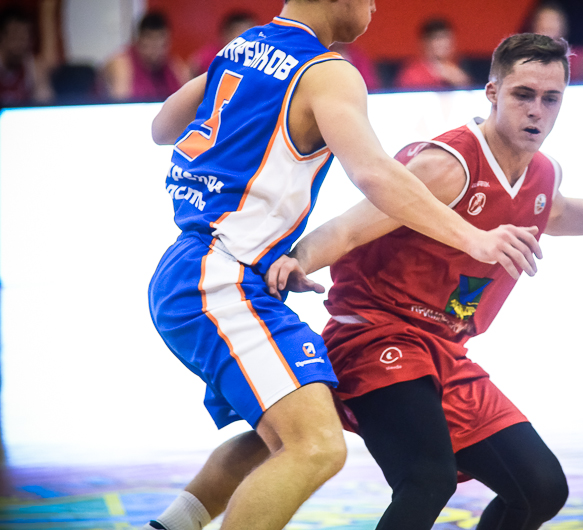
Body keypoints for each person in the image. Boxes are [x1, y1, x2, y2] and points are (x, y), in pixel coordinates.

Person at [154, 32, 583, 529]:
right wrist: (297, 259)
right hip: (374, 337)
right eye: (523, 95)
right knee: (424, 478)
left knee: (541, 489)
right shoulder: (447, 164)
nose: (536, 111)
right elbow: (349, 228)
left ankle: (176, 521)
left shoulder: (542, 174)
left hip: (445, 351)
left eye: (550, 99)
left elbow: (556, 210)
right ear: (493, 93)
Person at [143, 0, 541, 528]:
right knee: (317, 447)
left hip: (199, 266)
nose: (374, 7)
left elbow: (163, 126)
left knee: (295, 427)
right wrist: (473, 238)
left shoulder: (243, 46)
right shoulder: (328, 71)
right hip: (221, 277)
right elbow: (374, 173)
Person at [102, 12, 190, 102]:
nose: (156, 52)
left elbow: (188, 101)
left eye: (162, 46)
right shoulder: (122, 65)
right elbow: (122, 105)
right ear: (138, 40)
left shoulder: (175, 66)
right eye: (151, 45)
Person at [0, 1, 58, 106]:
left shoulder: (32, 67)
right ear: (2, 38)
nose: (21, 44)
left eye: (24, 38)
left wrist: (41, 81)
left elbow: (45, 105)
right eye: (15, 37)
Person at [395, 17, 473, 89]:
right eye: (438, 39)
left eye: (447, 38)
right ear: (425, 42)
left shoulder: (457, 69)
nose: (444, 43)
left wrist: (462, 82)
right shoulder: (412, 75)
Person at [526, 1, 583, 81]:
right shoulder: (524, 61)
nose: (548, 26)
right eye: (544, 28)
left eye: (552, 26)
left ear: (563, 28)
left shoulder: (577, 59)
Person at [189, 11, 258, 77]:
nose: (248, 37)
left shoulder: (257, 57)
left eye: (252, 32)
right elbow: (192, 69)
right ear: (226, 34)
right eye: (240, 31)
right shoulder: (210, 56)